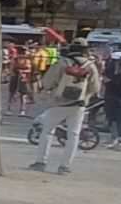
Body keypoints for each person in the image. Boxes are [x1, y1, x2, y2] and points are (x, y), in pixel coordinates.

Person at [30, 43, 99, 174]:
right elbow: (95, 88)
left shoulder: (61, 63)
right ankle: (64, 166)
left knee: (47, 132)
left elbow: (47, 82)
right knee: (73, 135)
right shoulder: (90, 66)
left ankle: (40, 162)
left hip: (58, 103)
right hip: (78, 105)